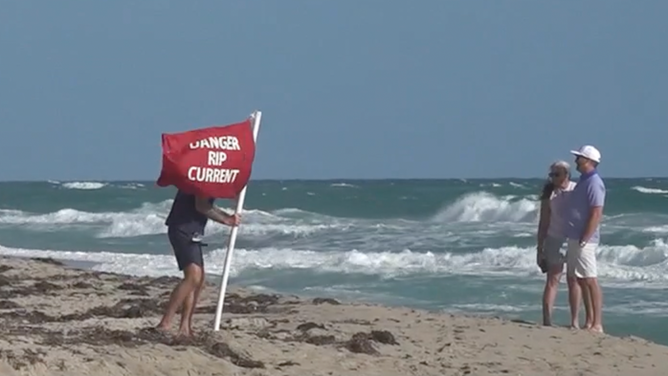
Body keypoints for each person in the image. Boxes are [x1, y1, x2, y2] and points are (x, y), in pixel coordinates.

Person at [156, 189, 240, 338]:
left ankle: (185, 327)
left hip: (193, 231)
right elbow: (201, 206)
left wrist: (230, 204)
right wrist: (226, 220)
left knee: (199, 281)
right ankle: (165, 322)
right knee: (193, 277)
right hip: (182, 228)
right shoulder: (201, 177)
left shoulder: (210, 177)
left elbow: (206, 204)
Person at [565, 145, 605, 333]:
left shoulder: (594, 183)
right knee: (580, 279)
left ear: (588, 161)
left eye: (579, 158)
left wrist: (585, 237)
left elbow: (596, 212)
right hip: (575, 236)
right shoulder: (584, 180)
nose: (576, 161)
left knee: (590, 279)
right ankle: (589, 321)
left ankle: (597, 323)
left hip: (584, 239)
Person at [536, 160, 577, 326]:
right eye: (551, 174)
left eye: (556, 174)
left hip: (573, 239)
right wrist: (540, 247)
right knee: (553, 279)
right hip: (554, 239)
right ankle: (547, 319)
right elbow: (543, 222)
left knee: (573, 280)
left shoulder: (576, 190)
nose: (553, 177)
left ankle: (574, 322)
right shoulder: (549, 195)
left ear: (566, 175)